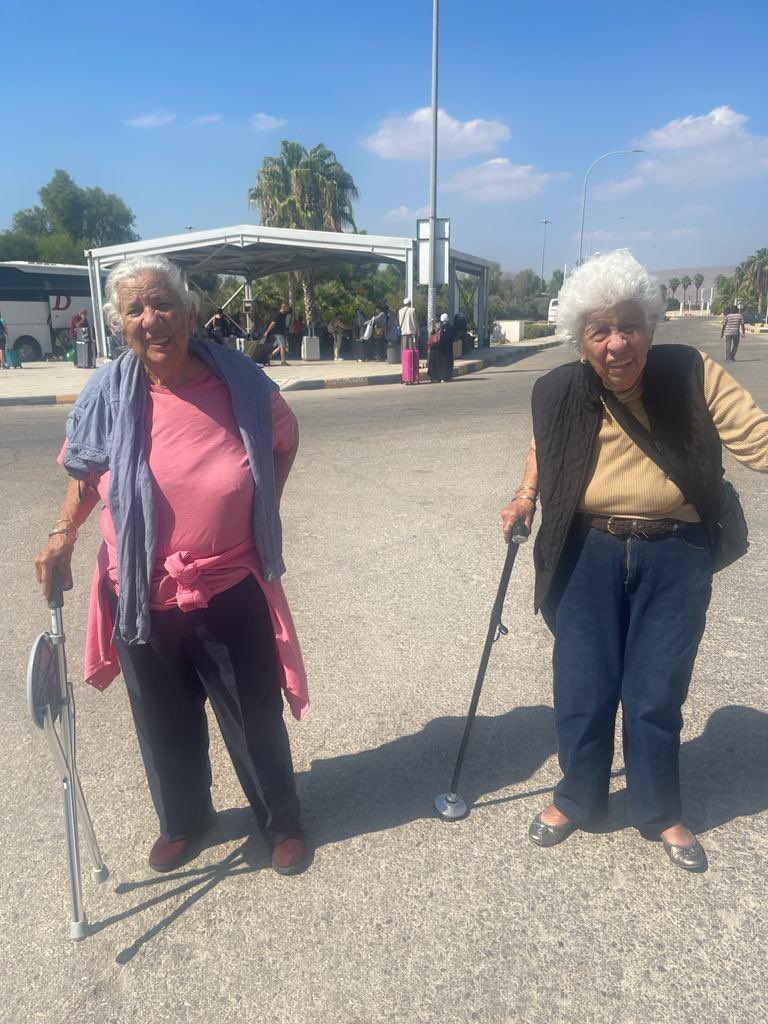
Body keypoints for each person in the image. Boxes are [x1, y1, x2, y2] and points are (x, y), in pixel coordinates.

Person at [34, 255, 309, 877]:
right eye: (134, 309)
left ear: (190, 314)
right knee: (161, 719)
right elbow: (84, 474)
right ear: (118, 324)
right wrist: (61, 535)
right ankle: (185, 819)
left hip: (228, 583)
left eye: (162, 305)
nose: (150, 319)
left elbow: (284, 441)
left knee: (252, 714)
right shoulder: (107, 394)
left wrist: (258, 502)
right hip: (137, 589)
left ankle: (280, 821)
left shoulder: (242, 384)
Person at [500, 249, 768, 872]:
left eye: (630, 327)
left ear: (651, 327)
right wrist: (524, 497)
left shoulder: (691, 372)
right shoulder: (559, 389)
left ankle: (659, 809)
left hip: (675, 555)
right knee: (582, 684)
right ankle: (576, 796)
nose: (617, 344)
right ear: (580, 339)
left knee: (655, 690)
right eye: (600, 331)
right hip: (586, 551)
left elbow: (756, 437)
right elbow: (545, 447)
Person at [427, 313, 455, 383]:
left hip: (438, 349)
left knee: (437, 363)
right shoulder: (450, 327)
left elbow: (434, 336)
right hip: (446, 350)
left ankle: (436, 377)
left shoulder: (439, 328)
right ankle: (445, 377)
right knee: (445, 364)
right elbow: (452, 338)